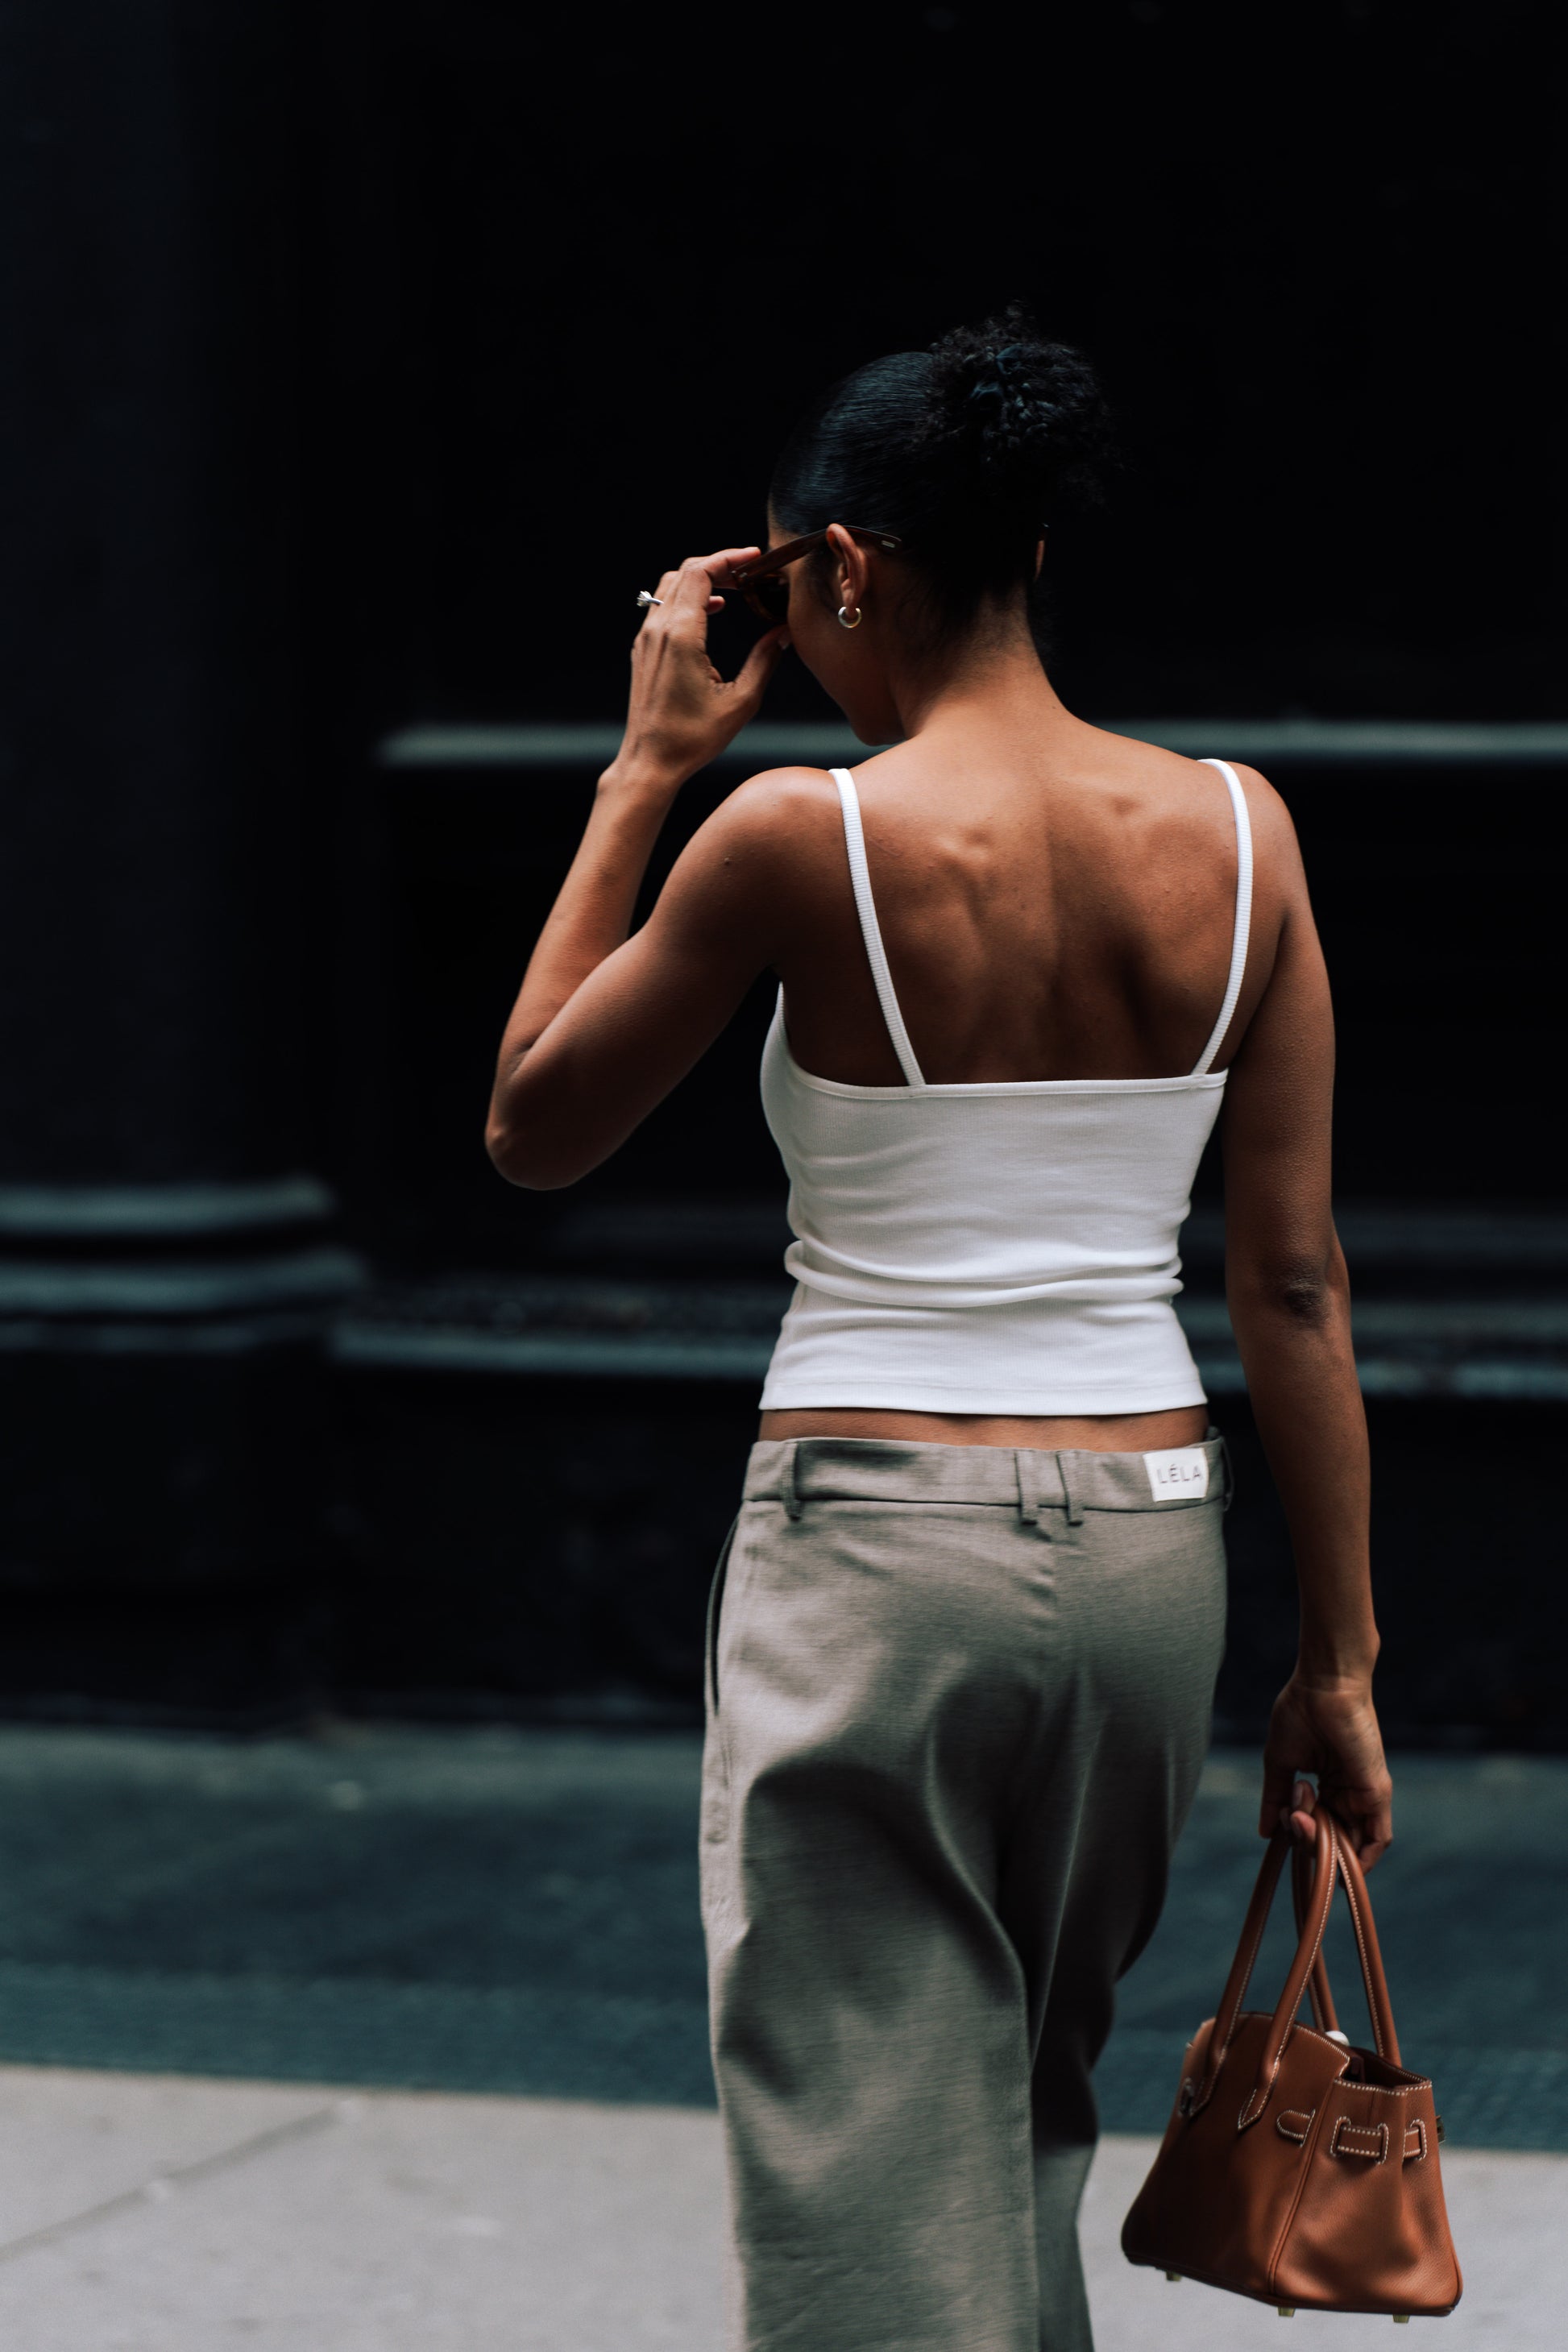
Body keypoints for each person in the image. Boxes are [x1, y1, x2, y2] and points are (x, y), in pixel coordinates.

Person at [486, 308, 1392, 2352]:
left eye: (787, 594)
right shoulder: (1245, 833)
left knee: (867, 2175)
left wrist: (644, 770)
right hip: (1155, 1545)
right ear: (1038, 558)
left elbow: (533, 1123)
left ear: (841, 574)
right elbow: (1296, 1278)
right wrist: (1335, 1664)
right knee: (1008, 2130)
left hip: (880, 1544)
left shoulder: (799, 834)